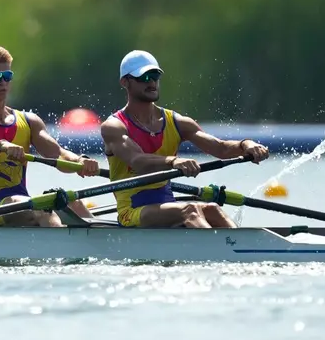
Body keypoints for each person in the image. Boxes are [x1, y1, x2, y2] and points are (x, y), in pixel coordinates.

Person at [100, 49, 270, 228]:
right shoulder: (114, 127)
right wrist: (174, 161)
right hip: (132, 212)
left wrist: (246, 144)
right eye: (143, 77)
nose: (151, 82)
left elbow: (221, 149)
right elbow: (138, 161)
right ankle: (220, 250)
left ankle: (237, 247)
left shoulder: (177, 122)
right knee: (189, 210)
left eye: (155, 76)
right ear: (125, 82)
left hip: (167, 206)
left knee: (212, 208)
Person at [0, 45, 100, 227]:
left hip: (21, 203)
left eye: (7, 77)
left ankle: (103, 245)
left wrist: (80, 161)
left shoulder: (28, 120)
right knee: (32, 207)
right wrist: (1, 146)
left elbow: (58, 154)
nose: (2, 82)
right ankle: (63, 245)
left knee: (73, 203)